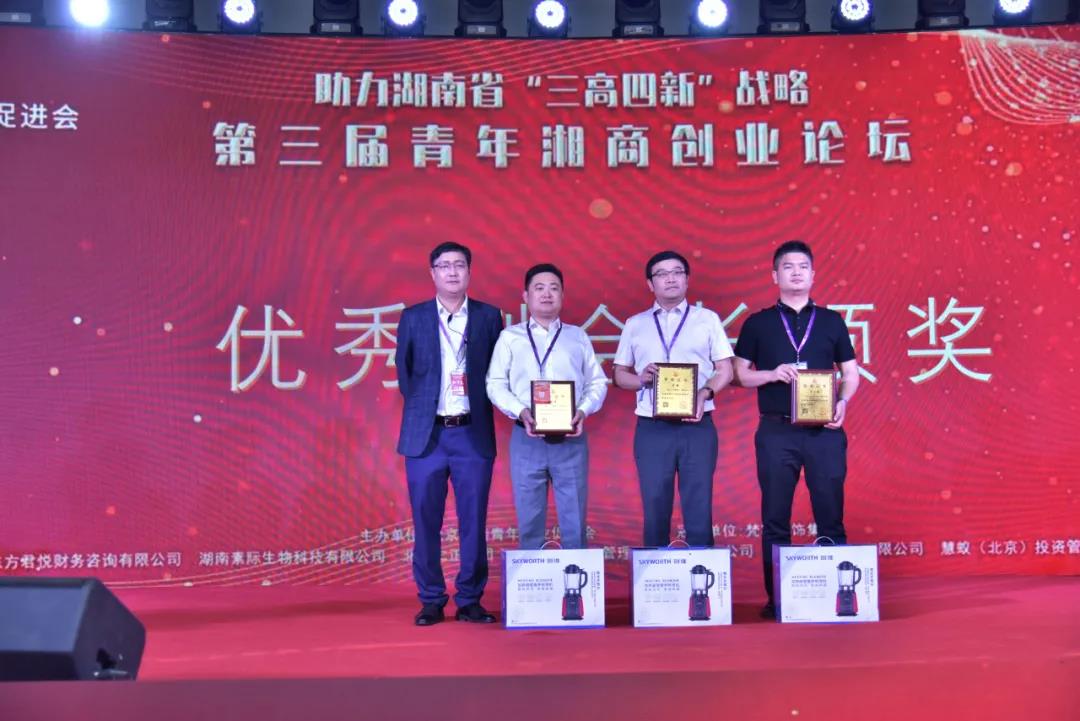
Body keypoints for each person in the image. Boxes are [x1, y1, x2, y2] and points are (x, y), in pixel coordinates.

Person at [732, 240, 860, 619]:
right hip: (777, 431)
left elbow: (850, 373)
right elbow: (739, 375)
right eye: (788, 267)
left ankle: (837, 595)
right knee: (775, 516)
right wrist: (772, 374)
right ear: (775, 275)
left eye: (803, 266)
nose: (796, 272)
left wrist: (842, 401)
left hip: (824, 430)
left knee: (830, 513)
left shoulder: (832, 321)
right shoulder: (757, 323)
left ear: (813, 274)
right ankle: (778, 599)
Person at [395, 241, 503, 626]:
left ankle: (470, 599)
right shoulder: (414, 317)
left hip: (472, 432)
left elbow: (496, 372)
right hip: (427, 436)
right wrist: (427, 410)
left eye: (459, 265)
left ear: (469, 271)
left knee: (473, 520)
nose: (452, 272)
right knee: (426, 520)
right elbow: (405, 374)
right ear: (433, 273)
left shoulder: (489, 317)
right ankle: (431, 599)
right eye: (444, 265)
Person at [612, 251, 734, 548]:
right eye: (662, 274)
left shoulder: (707, 320)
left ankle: (701, 574)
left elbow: (726, 370)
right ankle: (655, 576)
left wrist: (705, 393)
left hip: (697, 424)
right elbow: (619, 375)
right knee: (655, 505)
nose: (670, 278)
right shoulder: (635, 324)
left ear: (687, 279)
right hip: (652, 428)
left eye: (677, 272)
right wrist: (641, 379)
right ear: (650, 284)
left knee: (699, 506)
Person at [486, 263, 608, 550]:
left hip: (570, 437)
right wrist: (521, 411)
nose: (547, 294)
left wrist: (583, 410)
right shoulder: (510, 337)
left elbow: (598, 382)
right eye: (539, 288)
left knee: (574, 521)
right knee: (529, 520)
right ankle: (533, 578)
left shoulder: (577, 337)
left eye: (554, 288)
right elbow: (495, 383)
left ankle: (575, 576)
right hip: (526, 436)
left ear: (562, 296)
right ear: (526, 296)